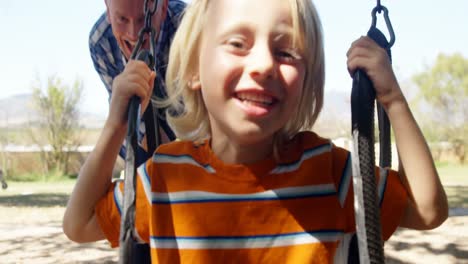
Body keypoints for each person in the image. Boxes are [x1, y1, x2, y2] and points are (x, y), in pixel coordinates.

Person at [64, 0, 449, 262]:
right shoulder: (163, 178)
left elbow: (427, 210)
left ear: (306, 79)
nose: (264, 64)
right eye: (237, 44)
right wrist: (117, 124)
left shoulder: (328, 171)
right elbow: (78, 224)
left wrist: (393, 100)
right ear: (195, 69)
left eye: (286, 52)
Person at [89, 0, 186, 164]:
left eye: (142, 19)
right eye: (122, 19)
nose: (134, 34)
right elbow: (129, 126)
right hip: (143, 134)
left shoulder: (188, 28)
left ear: (162, 8)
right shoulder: (102, 41)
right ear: (107, 8)